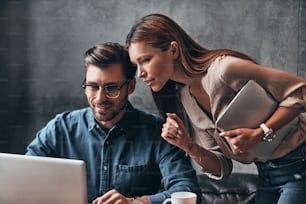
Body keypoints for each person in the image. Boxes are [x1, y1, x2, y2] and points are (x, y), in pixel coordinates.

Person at [125, 13, 306, 204]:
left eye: (145, 60)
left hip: (299, 164)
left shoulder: (224, 70)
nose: (140, 73)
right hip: (266, 174)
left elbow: (300, 91)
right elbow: (222, 167)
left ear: (173, 50)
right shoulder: (184, 97)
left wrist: (260, 133)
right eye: (135, 65)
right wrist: (188, 146)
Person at [26, 42, 201, 204]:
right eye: (93, 86)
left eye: (111, 88)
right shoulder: (60, 129)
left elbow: (188, 191)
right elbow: (25, 176)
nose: (100, 98)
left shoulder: (156, 132)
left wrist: (136, 203)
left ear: (130, 86)